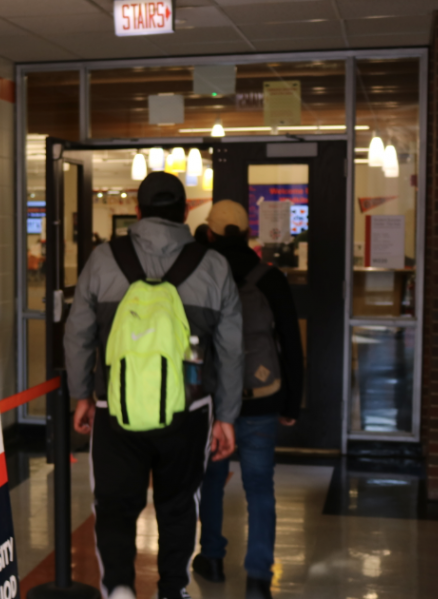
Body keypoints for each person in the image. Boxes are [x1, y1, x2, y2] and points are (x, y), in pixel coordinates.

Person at [65, 173, 244, 599]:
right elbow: (232, 350)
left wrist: (81, 395)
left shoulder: (103, 260)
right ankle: (172, 590)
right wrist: (227, 417)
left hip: (115, 409)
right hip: (190, 411)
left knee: (113, 504)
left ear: (139, 212)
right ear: (185, 213)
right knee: (179, 506)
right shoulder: (215, 266)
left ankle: (121, 587)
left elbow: (78, 335)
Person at [191, 200, 304, 599]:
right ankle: (258, 578)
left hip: (210, 398)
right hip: (261, 395)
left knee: (212, 478)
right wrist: (291, 402)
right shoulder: (269, 279)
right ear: (246, 234)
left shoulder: (199, 275)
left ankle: (214, 558)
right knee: (259, 485)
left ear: (210, 233)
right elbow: (289, 342)